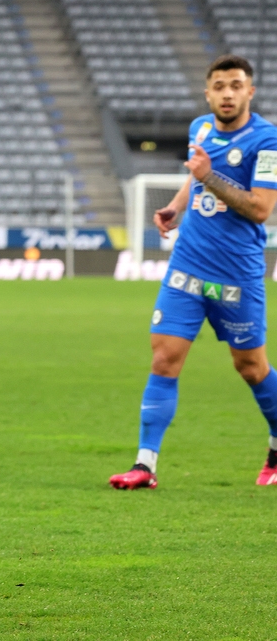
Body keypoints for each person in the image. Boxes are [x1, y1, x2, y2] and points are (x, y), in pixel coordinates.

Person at [109, 54, 277, 490]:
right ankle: (145, 466)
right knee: (164, 359)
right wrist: (176, 207)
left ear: (249, 92)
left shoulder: (267, 141)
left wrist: (211, 176)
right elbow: (194, 178)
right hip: (187, 265)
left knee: (251, 367)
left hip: (237, 274)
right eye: (219, 85)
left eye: (236, 85)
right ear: (207, 92)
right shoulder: (199, 128)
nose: (227, 93)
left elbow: (261, 209)